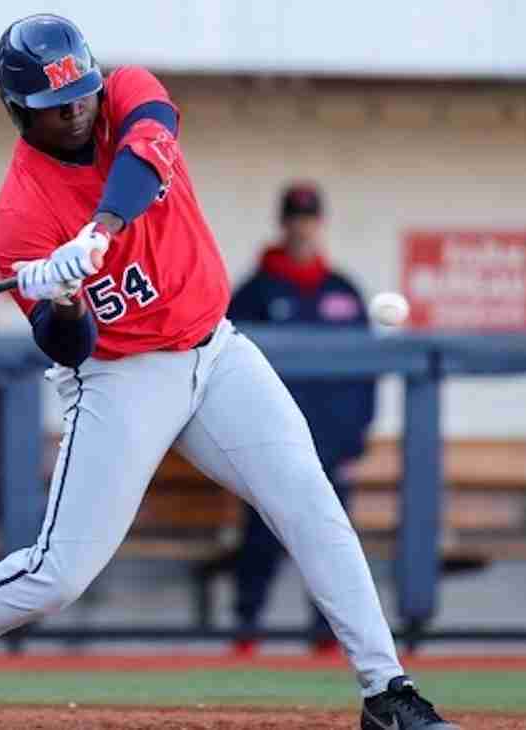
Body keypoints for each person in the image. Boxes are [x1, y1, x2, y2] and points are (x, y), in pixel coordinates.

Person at [0, 15, 457, 730]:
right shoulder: (20, 219)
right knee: (56, 576)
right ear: (18, 112)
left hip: (214, 352)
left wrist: (98, 230)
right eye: (54, 106)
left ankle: (386, 693)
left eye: (81, 96)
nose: (75, 112)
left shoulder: (128, 90)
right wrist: (62, 299)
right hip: (122, 376)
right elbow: (63, 345)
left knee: (312, 505)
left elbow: (144, 155)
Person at [227, 183, 376, 655]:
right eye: (295, 216)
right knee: (261, 540)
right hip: (267, 441)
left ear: (319, 222)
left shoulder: (344, 292)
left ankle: (329, 642)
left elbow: (365, 375)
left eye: (309, 217)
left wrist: (356, 443)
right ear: (283, 221)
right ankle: (246, 631)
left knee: (330, 542)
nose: (302, 225)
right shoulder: (254, 293)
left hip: (330, 443)